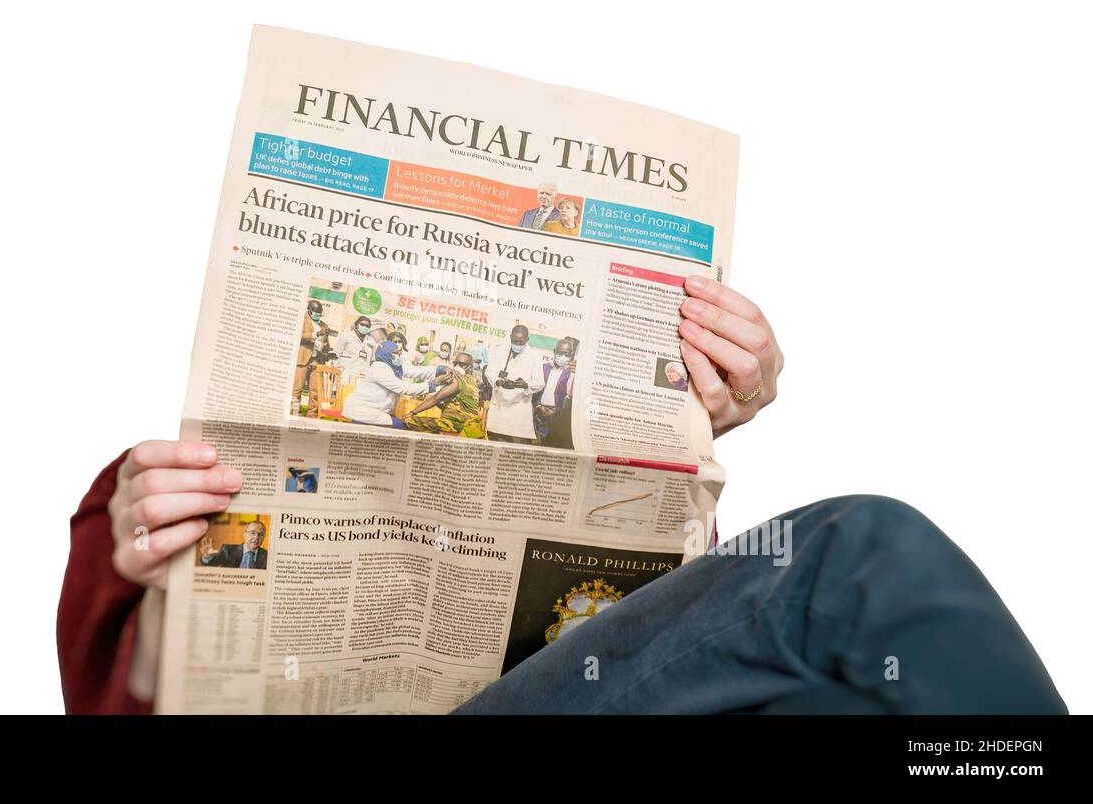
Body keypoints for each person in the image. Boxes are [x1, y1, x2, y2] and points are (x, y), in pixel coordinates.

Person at [57, 276, 1067, 714]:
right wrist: (150, 576)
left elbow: (647, 625)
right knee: (857, 552)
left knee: (843, 700)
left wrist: (683, 416)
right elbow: (130, 687)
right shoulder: (168, 482)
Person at [341, 336, 452, 428]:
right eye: (396, 353)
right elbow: (403, 388)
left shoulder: (394, 365)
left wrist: (440, 369)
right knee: (399, 426)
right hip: (362, 410)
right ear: (386, 354)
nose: (399, 355)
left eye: (400, 352)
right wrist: (434, 384)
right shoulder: (379, 369)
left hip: (375, 411)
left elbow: (415, 370)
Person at [483, 325, 544, 443]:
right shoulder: (499, 350)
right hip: (499, 407)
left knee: (516, 446)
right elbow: (489, 371)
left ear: (527, 339)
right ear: (510, 337)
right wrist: (497, 381)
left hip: (519, 409)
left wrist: (526, 385)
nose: (517, 344)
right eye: (514, 341)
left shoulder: (534, 356)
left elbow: (540, 382)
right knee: (495, 442)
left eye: (521, 342)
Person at [534, 338, 575, 448]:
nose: (563, 356)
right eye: (560, 353)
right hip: (538, 414)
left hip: (557, 417)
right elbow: (535, 391)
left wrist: (555, 410)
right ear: (554, 351)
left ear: (571, 355)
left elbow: (569, 398)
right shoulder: (543, 368)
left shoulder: (571, 373)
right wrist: (538, 406)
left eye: (566, 354)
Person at [199, 519, 268, 569]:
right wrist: (207, 557)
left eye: (261, 534)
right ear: (244, 534)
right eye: (253, 533)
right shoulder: (228, 550)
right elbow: (211, 565)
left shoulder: (267, 555)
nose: (256, 537)